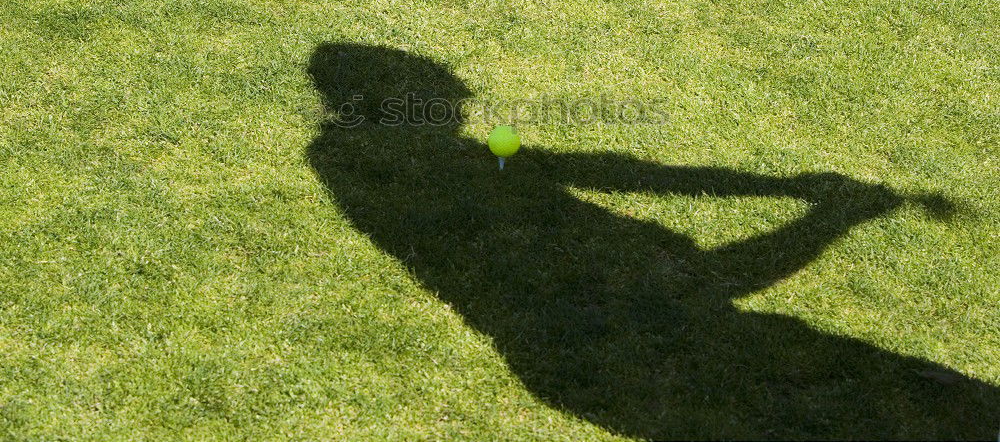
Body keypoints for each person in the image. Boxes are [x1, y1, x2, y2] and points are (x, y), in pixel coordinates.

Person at [307, 42, 997, 439]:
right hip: (641, 378)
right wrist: (832, 216)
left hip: (598, 369)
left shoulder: (362, 157)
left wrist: (784, 185)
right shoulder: (638, 303)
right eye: (445, 88)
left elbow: (614, 171)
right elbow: (721, 276)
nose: (455, 97)